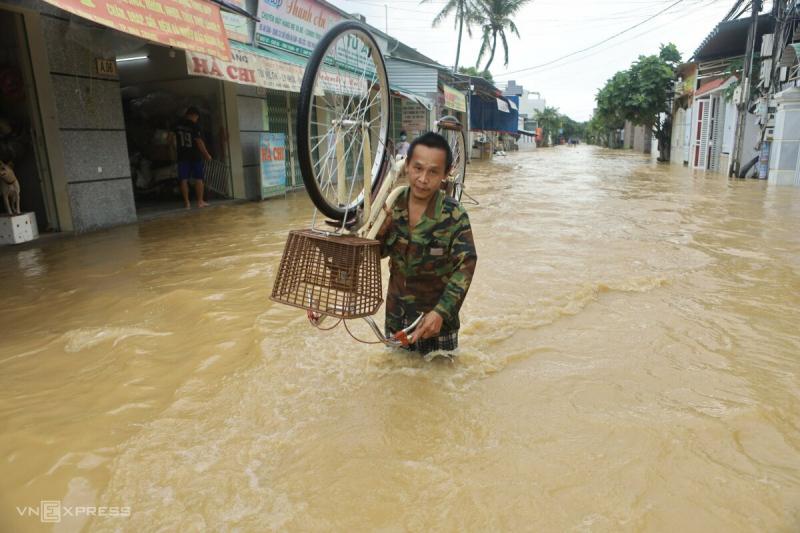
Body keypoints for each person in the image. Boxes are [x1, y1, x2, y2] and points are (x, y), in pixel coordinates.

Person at [376, 132, 478, 355]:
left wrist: (441, 312)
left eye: (433, 172)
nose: (423, 179)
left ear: (445, 173)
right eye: (418, 168)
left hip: (437, 326)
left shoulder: (454, 214)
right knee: (395, 380)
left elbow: (466, 266)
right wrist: (380, 233)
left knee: (441, 383)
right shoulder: (391, 205)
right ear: (407, 166)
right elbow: (377, 253)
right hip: (397, 320)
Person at [174, 106, 212, 209]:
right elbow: (199, 142)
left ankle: (187, 203)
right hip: (195, 156)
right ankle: (200, 202)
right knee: (199, 178)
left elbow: (170, 139)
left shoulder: (177, 125)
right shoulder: (195, 126)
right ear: (194, 116)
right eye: (197, 117)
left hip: (182, 155)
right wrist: (206, 154)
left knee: (183, 179)